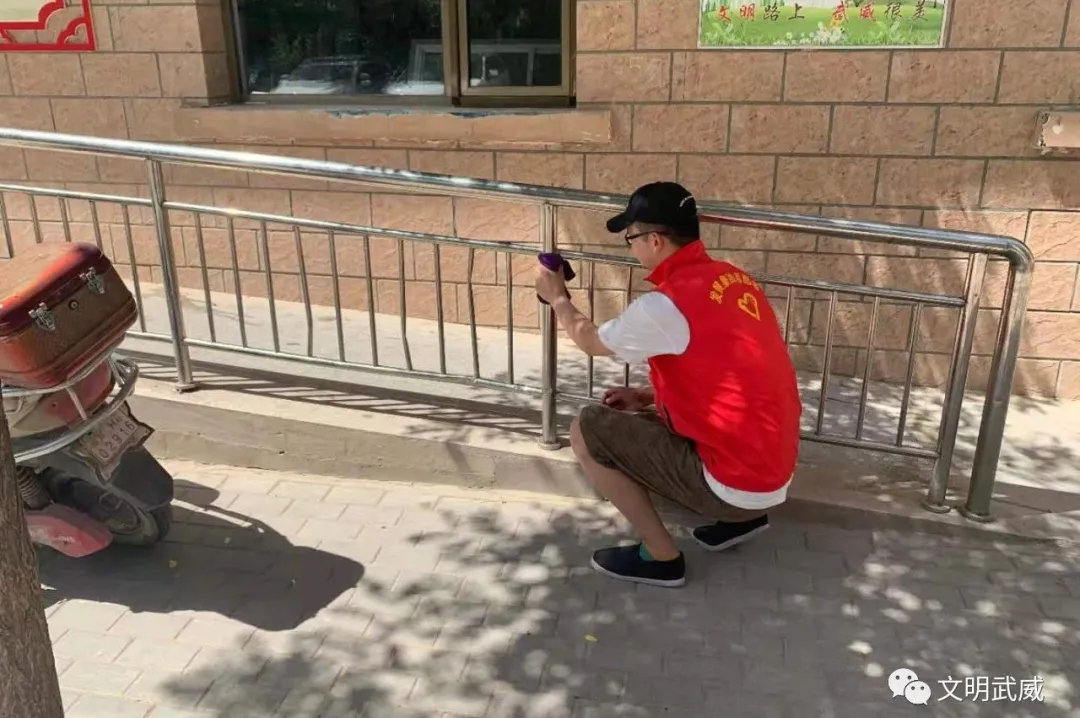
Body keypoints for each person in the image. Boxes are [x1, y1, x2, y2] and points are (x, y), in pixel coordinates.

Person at [534, 181, 802, 588]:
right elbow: (725, 374)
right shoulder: (735, 280)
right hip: (774, 472)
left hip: (734, 485)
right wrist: (646, 396)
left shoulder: (667, 304)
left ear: (655, 240)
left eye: (631, 239)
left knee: (585, 429)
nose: (632, 249)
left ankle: (661, 557)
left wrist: (557, 298)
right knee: (640, 419)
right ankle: (742, 521)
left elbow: (590, 341)